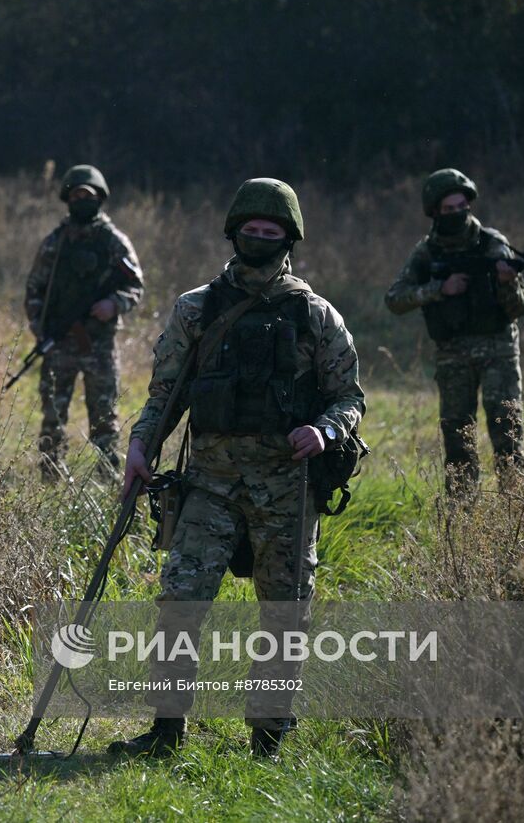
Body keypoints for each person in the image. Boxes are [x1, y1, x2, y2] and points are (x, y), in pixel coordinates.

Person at [114, 178, 365, 758]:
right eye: (249, 231)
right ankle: (164, 732)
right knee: (180, 601)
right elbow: (165, 396)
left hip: (287, 486)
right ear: (233, 234)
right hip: (210, 483)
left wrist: (324, 430)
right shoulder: (197, 310)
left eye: (269, 233)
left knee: (284, 611)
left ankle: (269, 739)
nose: (257, 239)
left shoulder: (316, 316)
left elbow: (349, 396)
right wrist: (140, 447)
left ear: (288, 241)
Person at [384, 168, 524, 500]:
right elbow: (394, 299)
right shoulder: (426, 252)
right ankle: (462, 516)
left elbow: (522, 306)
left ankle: (519, 509)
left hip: (499, 351)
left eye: (462, 206)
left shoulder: (494, 244)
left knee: (507, 431)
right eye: (448, 209)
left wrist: (507, 284)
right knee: (457, 438)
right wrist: (439, 289)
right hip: (453, 356)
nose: (456, 214)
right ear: (434, 212)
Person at [24, 164, 143, 481]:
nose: (81, 200)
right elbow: (34, 288)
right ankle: (51, 475)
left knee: (104, 415)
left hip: (99, 344)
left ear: (99, 198)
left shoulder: (114, 241)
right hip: (59, 343)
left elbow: (135, 285)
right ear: (67, 198)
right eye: (76, 195)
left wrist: (113, 303)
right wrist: (40, 326)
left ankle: (108, 476)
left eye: (87, 195)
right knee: (52, 415)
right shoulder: (55, 242)